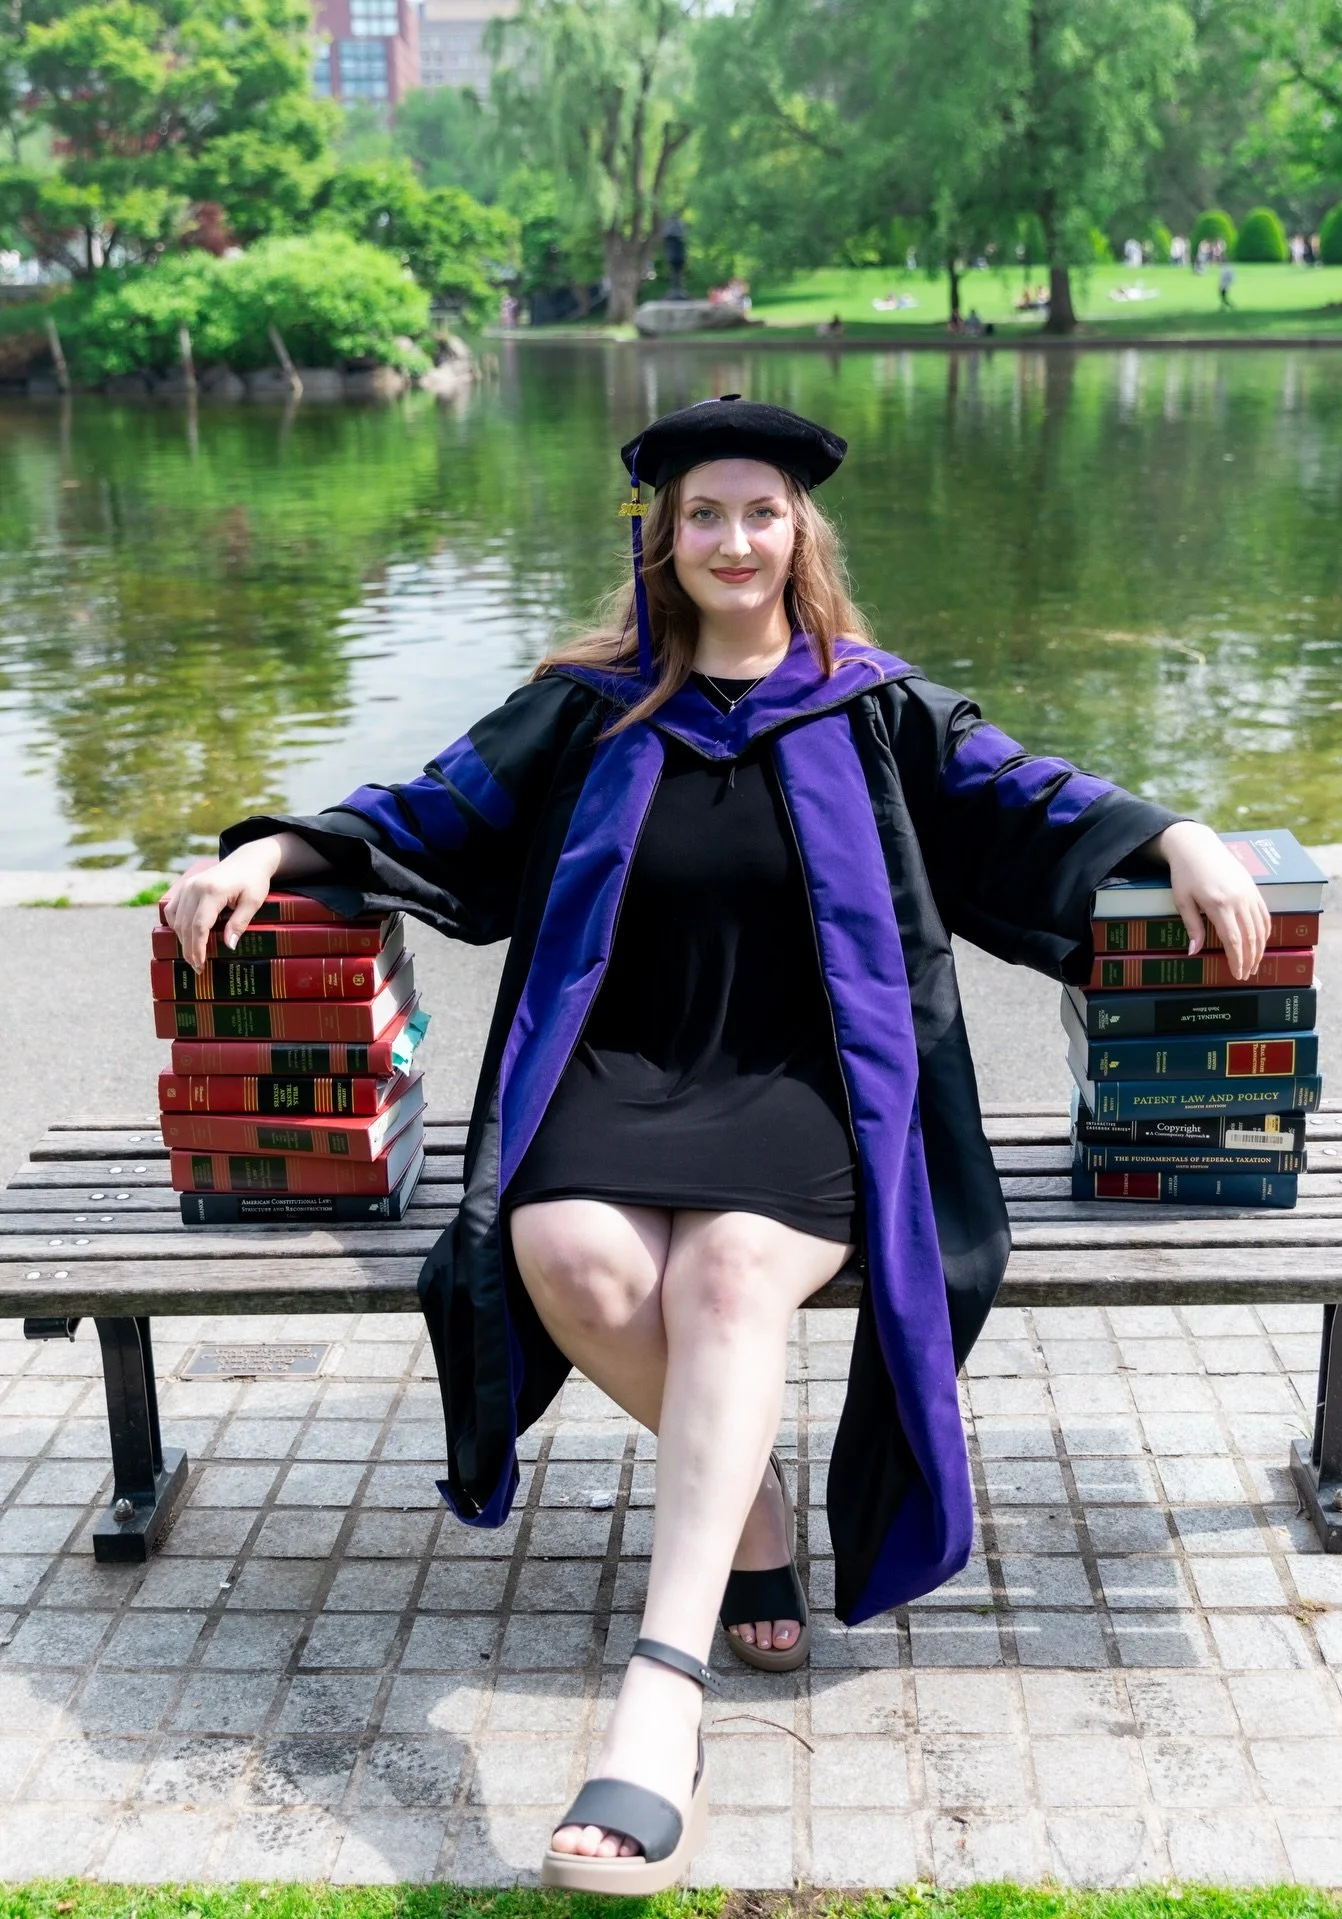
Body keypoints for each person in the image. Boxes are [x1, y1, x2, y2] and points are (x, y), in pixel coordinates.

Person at [162, 397, 1270, 1895]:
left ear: (799, 532)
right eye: (704, 515)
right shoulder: (588, 706)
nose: (735, 539)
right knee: (560, 1249)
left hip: (809, 1088)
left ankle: (659, 1697)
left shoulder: (870, 706)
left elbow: (1028, 797)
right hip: (619, 1073)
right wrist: (270, 849)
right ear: (661, 539)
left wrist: (1176, 834)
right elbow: (431, 810)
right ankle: (746, 1501)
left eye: (761, 512)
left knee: (737, 1276)